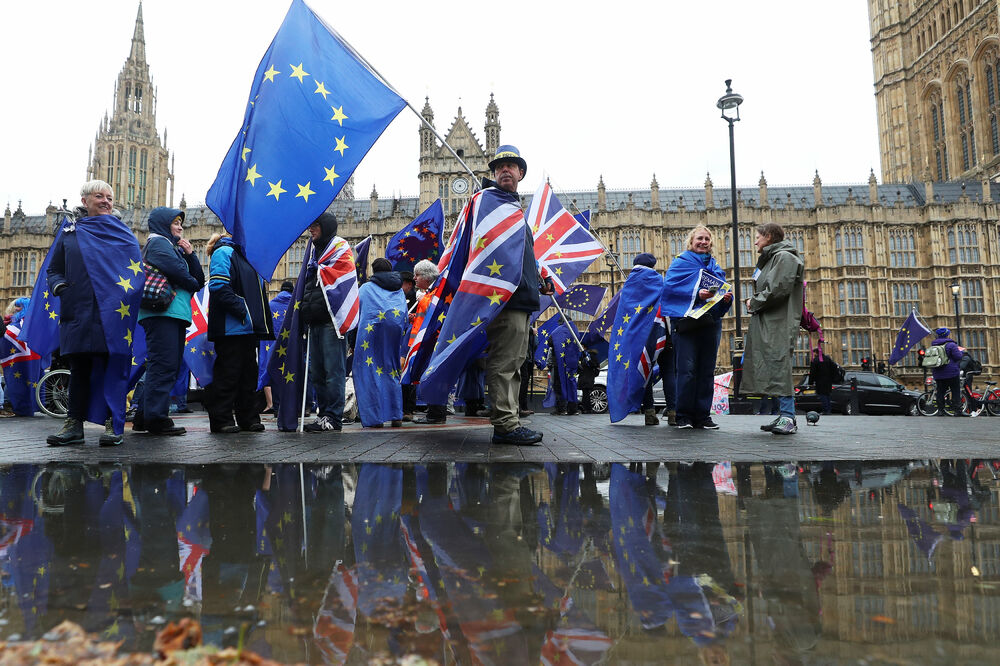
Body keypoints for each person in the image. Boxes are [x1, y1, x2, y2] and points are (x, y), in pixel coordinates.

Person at [46, 179, 142, 447]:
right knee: (79, 369)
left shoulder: (122, 233)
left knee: (111, 366)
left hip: (111, 312)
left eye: (110, 198)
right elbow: (53, 270)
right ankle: (74, 424)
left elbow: (136, 272)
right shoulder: (70, 233)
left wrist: (121, 296)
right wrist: (60, 287)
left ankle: (114, 423)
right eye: (99, 196)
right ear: (85, 200)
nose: (106, 202)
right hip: (77, 310)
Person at [484, 145, 554, 445]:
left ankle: (509, 421)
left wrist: (537, 278)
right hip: (505, 298)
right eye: (500, 167)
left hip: (523, 297)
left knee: (514, 364)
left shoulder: (513, 210)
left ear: (520, 173)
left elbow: (520, 255)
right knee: (505, 362)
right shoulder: (490, 203)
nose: (505, 170)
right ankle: (505, 425)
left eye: (511, 166)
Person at [134, 207, 205, 436]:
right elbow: (184, 277)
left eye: (180, 223)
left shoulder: (170, 246)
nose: (180, 227)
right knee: (164, 366)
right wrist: (191, 281)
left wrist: (191, 254)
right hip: (162, 313)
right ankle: (156, 418)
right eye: (175, 223)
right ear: (163, 224)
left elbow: (199, 280)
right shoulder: (158, 243)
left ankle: (144, 416)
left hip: (173, 314)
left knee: (164, 365)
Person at [661, 227, 733, 429]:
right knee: (687, 370)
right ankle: (683, 415)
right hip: (687, 324)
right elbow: (669, 289)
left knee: (706, 370)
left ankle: (702, 416)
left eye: (707, 239)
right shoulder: (681, 262)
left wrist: (726, 298)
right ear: (691, 242)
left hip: (710, 322)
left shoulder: (715, 265)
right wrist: (696, 294)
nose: (704, 242)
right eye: (700, 238)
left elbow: (723, 288)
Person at [205, 232, 274, 433]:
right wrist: (243, 311)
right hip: (231, 327)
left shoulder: (248, 257)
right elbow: (218, 286)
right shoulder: (224, 251)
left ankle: (248, 417)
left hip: (248, 328)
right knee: (228, 374)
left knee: (248, 375)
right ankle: (222, 419)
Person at [741, 222, 805, 435]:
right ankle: (783, 415)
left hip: (778, 322)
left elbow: (777, 289)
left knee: (779, 364)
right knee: (771, 365)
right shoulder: (774, 258)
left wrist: (754, 302)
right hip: (769, 320)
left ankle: (788, 418)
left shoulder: (784, 257)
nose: (755, 241)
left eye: (757, 237)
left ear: (768, 236)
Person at [299, 212, 351, 433]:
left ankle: (334, 417)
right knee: (317, 373)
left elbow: (344, 279)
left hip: (332, 321)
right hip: (315, 321)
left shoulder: (340, 249)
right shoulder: (312, 253)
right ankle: (323, 415)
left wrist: (319, 269)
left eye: (315, 226)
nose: (311, 229)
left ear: (326, 227)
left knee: (333, 372)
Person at [354, 257, 406, 427]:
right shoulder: (399, 290)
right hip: (394, 333)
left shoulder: (366, 288)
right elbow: (404, 314)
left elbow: (356, 313)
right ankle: (396, 414)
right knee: (391, 370)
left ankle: (374, 418)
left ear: (374, 271)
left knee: (368, 372)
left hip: (370, 333)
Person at [407, 259, 446, 424]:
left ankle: (436, 414)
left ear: (427, 277)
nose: (414, 278)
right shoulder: (429, 294)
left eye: (417, 275)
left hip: (429, 343)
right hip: (422, 342)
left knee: (432, 377)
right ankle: (434, 411)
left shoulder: (433, 296)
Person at [260, 280, 295, 415]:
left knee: (270, 370)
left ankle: (273, 404)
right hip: (291, 344)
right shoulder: (295, 305)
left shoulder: (270, 304)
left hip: (271, 345)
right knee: (291, 372)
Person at [930, 326, 966, 416]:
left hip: (938, 373)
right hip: (952, 373)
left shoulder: (934, 345)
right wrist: (961, 352)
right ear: (947, 335)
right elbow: (958, 357)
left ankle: (940, 410)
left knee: (940, 392)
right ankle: (957, 410)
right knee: (955, 391)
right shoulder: (951, 345)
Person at [807, 346, 837, 415]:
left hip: (820, 381)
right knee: (827, 395)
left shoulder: (815, 360)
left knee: (822, 395)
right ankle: (829, 410)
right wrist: (832, 378)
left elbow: (812, 372)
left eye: (814, 353)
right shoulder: (828, 359)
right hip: (828, 381)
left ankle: (825, 410)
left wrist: (810, 382)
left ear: (816, 353)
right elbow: (834, 368)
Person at [577, 346, 601, 414]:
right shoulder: (581, 356)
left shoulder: (591, 356)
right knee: (585, 393)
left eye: (581, 346)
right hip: (583, 377)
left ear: (585, 347)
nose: (579, 348)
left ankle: (588, 408)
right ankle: (586, 407)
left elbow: (594, 365)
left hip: (588, 377)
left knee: (586, 393)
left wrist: (588, 360)